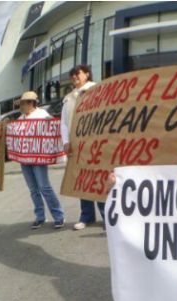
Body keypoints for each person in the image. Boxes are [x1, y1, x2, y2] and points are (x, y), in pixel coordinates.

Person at [61, 65, 102, 230]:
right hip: (77, 144)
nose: (74, 76)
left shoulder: (98, 89)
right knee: (83, 179)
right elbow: (63, 123)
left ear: (87, 74)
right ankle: (87, 216)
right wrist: (65, 141)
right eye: (72, 75)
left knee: (99, 177)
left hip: (95, 141)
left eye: (77, 73)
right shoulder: (68, 98)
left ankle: (107, 215)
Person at [18, 91, 65, 230]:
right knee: (33, 189)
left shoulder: (42, 115)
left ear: (31, 103)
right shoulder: (21, 119)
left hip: (38, 157)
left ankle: (58, 216)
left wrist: (51, 123)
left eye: (23, 103)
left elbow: (53, 129)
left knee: (44, 187)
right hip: (24, 158)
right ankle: (40, 216)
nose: (21, 105)